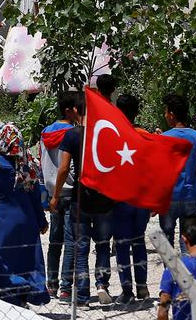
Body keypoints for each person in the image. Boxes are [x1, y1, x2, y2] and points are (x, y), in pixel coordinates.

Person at [49, 91, 115, 306]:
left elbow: (64, 168)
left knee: (81, 246)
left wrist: (56, 195)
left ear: (75, 110)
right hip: (105, 195)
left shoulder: (72, 135)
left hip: (81, 196)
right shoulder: (104, 133)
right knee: (103, 243)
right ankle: (102, 284)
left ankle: (83, 295)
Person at [0, 123, 49, 306]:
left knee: (3, 261)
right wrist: (41, 220)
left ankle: (8, 297)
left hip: (2, 221)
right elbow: (37, 198)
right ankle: (25, 294)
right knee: (27, 259)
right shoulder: (29, 167)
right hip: (27, 221)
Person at [111, 94, 151, 303]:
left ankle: (127, 290)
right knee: (139, 241)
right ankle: (143, 287)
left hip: (121, 198)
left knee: (122, 245)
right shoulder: (145, 135)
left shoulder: (114, 135)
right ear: (137, 112)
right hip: (142, 197)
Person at [40, 92, 80, 297]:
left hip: (51, 191)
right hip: (70, 191)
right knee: (71, 240)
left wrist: (47, 194)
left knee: (55, 240)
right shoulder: (73, 133)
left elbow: (42, 163)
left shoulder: (46, 132)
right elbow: (69, 167)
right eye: (76, 108)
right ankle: (65, 286)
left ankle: (51, 283)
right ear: (68, 110)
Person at [159, 94, 196, 251]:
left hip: (169, 197)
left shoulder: (163, 138)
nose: (165, 115)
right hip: (190, 195)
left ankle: (170, 273)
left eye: (166, 112)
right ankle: (187, 273)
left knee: (167, 240)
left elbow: (159, 171)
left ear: (172, 114)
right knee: (188, 240)